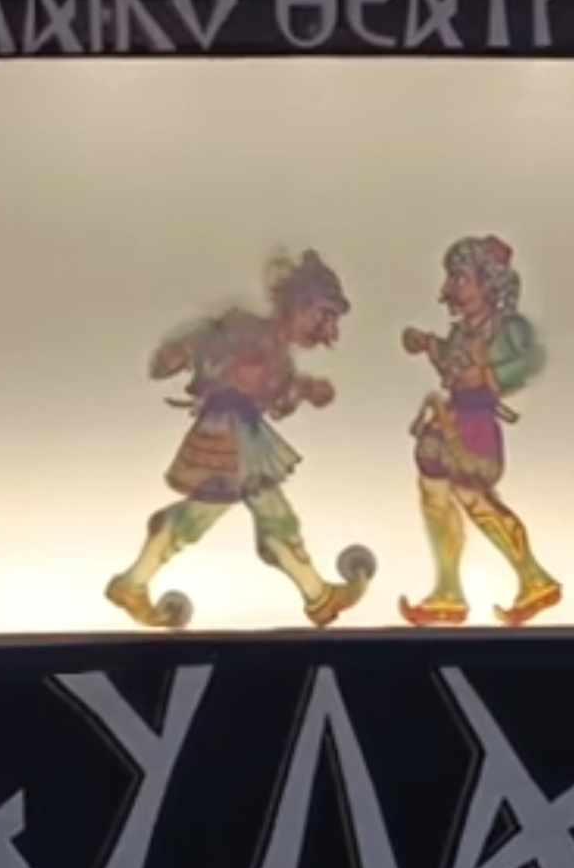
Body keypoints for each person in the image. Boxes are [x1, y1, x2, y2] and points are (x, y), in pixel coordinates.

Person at [107, 250, 375, 629]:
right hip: (229, 433)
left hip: (242, 431)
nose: (326, 327)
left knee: (208, 514)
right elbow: (207, 346)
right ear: (299, 303)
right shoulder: (247, 329)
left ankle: (133, 582)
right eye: (323, 313)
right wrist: (184, 352)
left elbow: (274, 400)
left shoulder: (280, 357)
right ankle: (317, 596)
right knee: (267, 513)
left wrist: (303, 390)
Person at [399, 235, 561, 627]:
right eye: (452, 278)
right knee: (435, 498)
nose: (452, 286)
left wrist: (489, 374)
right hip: (448, 420)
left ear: (488, 283)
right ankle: (448, 590)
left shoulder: (508, 328)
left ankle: (534, 579)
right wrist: (428, 345)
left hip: (474, 424)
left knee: (476, 500)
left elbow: (530, 360)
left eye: (461, 277)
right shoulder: (463, 332)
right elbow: (452, 366)